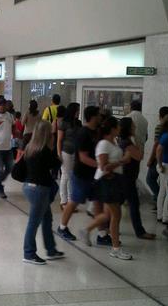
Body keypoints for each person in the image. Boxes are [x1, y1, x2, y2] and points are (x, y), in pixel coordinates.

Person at [78, 117, 133, 260]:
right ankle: (115, 248)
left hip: (113, 181)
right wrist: (123, 160)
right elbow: (104, 167)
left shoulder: (113, 142)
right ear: (113, 128)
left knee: (109, 215)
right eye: (118, 126)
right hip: (106, 181)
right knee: (116, 215)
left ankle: (86, 230)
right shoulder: (103, 144)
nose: (120, 129)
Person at [22, 120, 65, 264]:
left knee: (46, 218)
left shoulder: (30, 147)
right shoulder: (45, 151)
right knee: (34, 222)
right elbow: (57, 164)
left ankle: (51, 249)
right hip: (39, 189)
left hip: (29, 186)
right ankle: (29, 253)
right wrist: (56, 150)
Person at [57, 106, 101, 242]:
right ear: (93, 116)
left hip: (93, 175)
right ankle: (62, 227)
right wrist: (101, 165)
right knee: (73, 201)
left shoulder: (93, 131)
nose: (100, 117)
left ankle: (102, 234)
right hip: (82, 174)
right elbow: (82, 157)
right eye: (98, 115)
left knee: (98, 204)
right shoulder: (83, 133)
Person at [118, 117, 155, 240]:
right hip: (127, 178)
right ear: (128, 128)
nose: (135, 128)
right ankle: (140, 231)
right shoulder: (127, 143)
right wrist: (140, 142)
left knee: (118, 204)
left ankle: (108, 227)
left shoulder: (125, 140)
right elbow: (139, 156)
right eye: (133, 126)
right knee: (133, 204)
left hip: (127, 177)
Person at [57, 102, 81, 209]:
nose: (78, 113)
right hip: (65, 151)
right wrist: (58, 153)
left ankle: (71, 201)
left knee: (72, 176)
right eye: (77, 110)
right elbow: (59, 140)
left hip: (76, 152)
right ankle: (63, 201)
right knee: (66, 175)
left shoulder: (78, 123)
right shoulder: (63, 123)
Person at [146, 106, 168, 203]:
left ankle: (158, 199)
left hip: (159, 158)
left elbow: (157, 145)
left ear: (160, 116)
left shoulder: (160, 127)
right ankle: (161, 200)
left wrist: (150, 158)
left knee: (150, 179)